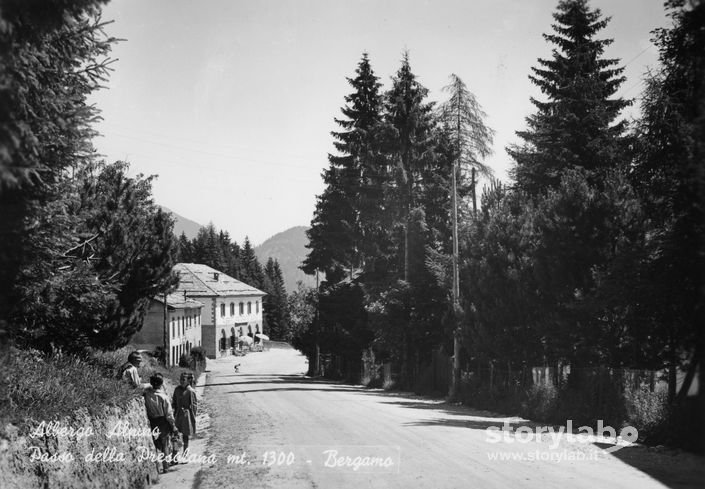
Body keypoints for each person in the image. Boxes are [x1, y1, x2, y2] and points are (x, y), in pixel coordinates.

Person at [143, 373, 176, 473]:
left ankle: (157, 467)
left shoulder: (147, 394)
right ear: (161, 384)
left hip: (152, 421)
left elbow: (141, 386)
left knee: (156, 444)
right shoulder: (163, 397)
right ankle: (165, 466)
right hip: (163, 421)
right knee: (165, 443)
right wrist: (173, 426)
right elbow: (169, 414)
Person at [172, 372, 198, 460]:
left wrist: (192, 417)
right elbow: (174, 402)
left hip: (187, 416)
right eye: (181, 379)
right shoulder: (177, 390)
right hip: (178, 414)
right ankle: (175, 455)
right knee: (175, 435)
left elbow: (194, 405)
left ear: (188, 380)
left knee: (185, 435)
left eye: (184, 380)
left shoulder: (190, 391)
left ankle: (185, 453)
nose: (182, 381)